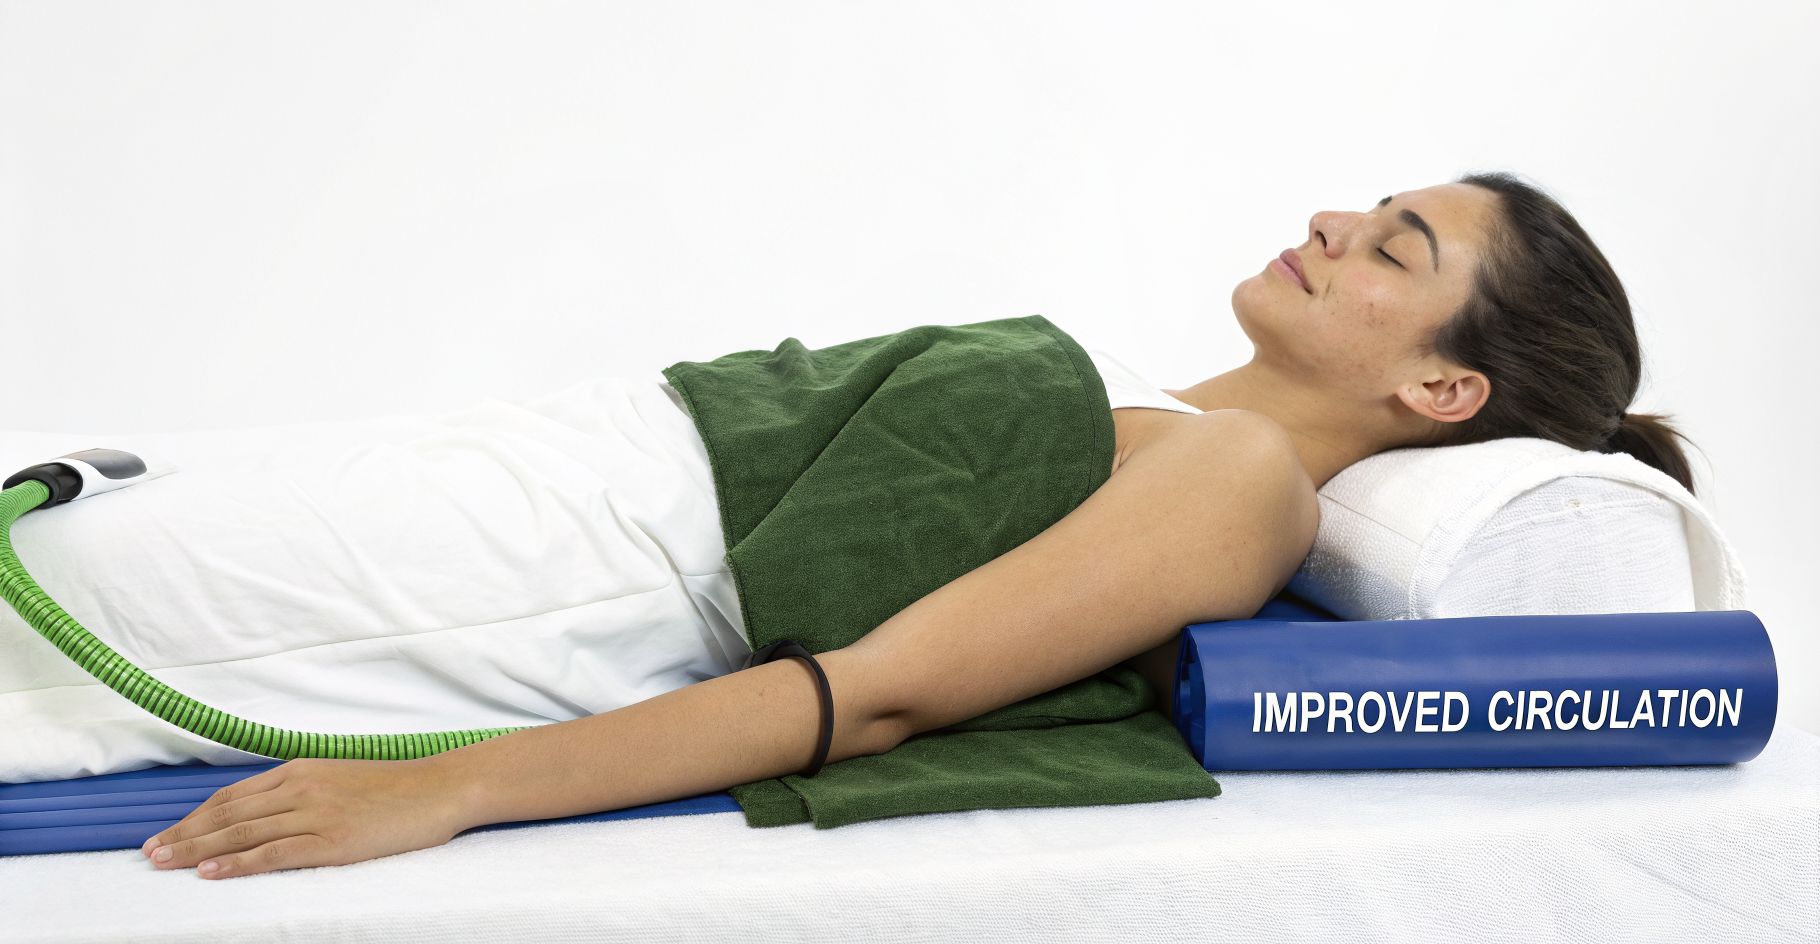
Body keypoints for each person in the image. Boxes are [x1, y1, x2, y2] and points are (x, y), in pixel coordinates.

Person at [134, 171, 1698, 879]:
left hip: (533, 567)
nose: (1329, 221)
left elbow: (871, 692)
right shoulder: (1169, 403)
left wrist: (447, 795)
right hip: (529, 470)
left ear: (1443, 386)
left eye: (1393, 249)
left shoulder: (1242, 483)